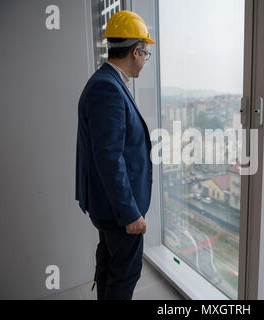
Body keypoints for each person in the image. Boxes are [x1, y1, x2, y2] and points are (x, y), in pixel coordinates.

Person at [75, 10, 155, 300]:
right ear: (136, 51)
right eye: (146, 54)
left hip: (108, 206)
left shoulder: (108, 81)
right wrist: (131, 213)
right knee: (125, 274)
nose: (146, 60)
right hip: (118, 211)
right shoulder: (107, 88)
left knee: (110, 265)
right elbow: (109, 157)